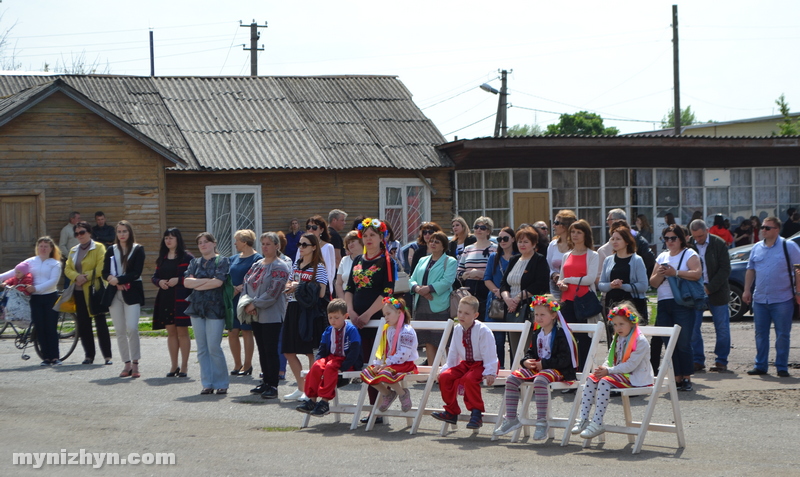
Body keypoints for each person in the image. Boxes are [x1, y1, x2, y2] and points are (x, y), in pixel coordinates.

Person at [493, 295, 578, 440]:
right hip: (540, 368)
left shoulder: (561, 333)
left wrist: (544, 364)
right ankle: (511, 418)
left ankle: (541, 422)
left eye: (542, 314)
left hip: (558, 370)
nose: (538, 318)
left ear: (553, 315)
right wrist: (525, 361)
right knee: (512, 378)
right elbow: (531, 352)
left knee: (540, 380)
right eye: (536, 314)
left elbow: (565, 359)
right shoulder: (538, 332)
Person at [572, 302, 654, 439]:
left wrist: (608, 371)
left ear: (632, 323)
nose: (617, 328)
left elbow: (630, 366)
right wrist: (604, 368)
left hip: (636, 377)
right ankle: (583, 419)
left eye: (621, 324)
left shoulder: (640, 341)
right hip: (619, 374)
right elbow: (610, 358)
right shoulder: (619, 338)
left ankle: (597, 422)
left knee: (604, 381)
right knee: (592, 379)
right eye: (615, 325)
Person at [345, 217, 396, 423]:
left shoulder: (386, 261)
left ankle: (378, 408)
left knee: (376, 364)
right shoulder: (357, 260)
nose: (368, 239)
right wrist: (350, 310)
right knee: (364, 363)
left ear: (381, 237)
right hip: (357, 319)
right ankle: (375, 406)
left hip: (376, 319)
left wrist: (368, 314)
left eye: (372, 235)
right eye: (364, 236)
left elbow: (387, 292)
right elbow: (349, 287)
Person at [743, 217, 800, 378]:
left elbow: (799, 270)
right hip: (760, 299)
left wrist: (798, 292)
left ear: (777, 229)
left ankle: (781, 366)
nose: (763, 230)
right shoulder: (757, 248)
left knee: (782, 334)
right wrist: (746, 290)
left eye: (767, 228)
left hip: (783, 298)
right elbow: (750, 269)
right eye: (762, 227)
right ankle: (760, 365)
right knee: (760, 334)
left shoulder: (788, 246)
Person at [649, 224, 702, 391]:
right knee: (668, 342)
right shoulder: (662, 256)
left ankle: (686, 377)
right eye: (666, 238)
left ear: (681, 239)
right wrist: (661, 273)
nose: (670, 241)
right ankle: (676, 377)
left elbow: (697, 273)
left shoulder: (689, 254)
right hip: (664, 302)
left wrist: (676, 273)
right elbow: (653, 283)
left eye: (673, 238)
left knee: (683, 342)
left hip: (683, 303)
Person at [432, 295, 498, 429]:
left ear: (476, 315)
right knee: (445, 377)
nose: (462, 315)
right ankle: (451, 411)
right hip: (466, 363)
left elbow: (489, 354)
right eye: (459, 312)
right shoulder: (457, 329)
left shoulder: (483, 331)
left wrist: (490, 371)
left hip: (482, 363)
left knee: (469, 379)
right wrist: (447, 368)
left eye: (467, 313)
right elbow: (454, 352)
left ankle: (476, 413)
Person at [243, 232, 291, 399]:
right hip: (255, 313)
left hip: (271, 314)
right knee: (262, 349)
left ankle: (273, 385)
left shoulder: (280, 266)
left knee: (271, 350)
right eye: (263, 243)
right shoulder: (257, 264)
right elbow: (246, 282)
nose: (264, 247)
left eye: (268, 244)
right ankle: (265, 381)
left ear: (277, 246)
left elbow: (274, 292)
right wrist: (247, 304)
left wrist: (254, 304)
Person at [0, 237, 62, 365]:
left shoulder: (55, 263)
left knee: (50, 327)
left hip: (50, 297)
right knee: (40, 327)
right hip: (35, 299)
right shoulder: (31, 261)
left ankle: (55, 357)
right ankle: (46, 358)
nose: (43, 248)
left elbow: (53, 282)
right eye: (41, 246)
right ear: (37, 248)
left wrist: (36, 288)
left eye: (46, 246)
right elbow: (13, 272)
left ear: (51, 249)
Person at [296, 298, 363, 416]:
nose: (333, 321)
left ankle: (325, 402)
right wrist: (319, 361)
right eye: (330, 317)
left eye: (336, 318)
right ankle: (311, 399)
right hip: (331, 357)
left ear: (345, 316)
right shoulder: (328, 331)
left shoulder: (352, 330)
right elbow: (322, 350)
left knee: (331, 367)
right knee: (316, 365)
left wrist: (344, 367)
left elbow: (354, 351)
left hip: (346, 361)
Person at [283, 233, 329, 401]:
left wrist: (300, 286)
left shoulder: (319, 267)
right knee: (288, 350)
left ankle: (311, 390)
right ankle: (301, 386)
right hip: (293, 308)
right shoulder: (297, 264)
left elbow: (322, 292)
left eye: (305, 245)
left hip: (309, 312)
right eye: (300, 245)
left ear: (314, 247)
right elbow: (290, 282)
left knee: (311, 352)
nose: (301, 248)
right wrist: (290, 286)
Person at [184, 232, 230, 395]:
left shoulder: (222, 260)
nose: (203, 245)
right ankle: (207, 383)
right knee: (202, 348)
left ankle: (222, 382)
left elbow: (218, 282)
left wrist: (197, 284)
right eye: (200, 243)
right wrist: (205, 282)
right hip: (196, 307)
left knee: (213, 346)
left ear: (213, 243)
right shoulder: (194, 262)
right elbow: (187, 282)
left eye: (206, 242)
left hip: (215, 308)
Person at [360, 297, 418, 414]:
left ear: (399, 312)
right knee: (367, 373)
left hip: (404, 364)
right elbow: (385, 351)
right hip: (391, 363)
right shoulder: (389, 330)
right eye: (384, 315)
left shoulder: (406, 330)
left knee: (385, 372)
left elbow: (403, 354)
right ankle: (388, 394)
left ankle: (402, 394)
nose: (385, 317)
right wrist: (379, 363)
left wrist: (386, 364)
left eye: (388, 314)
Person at [65, 220, 112, 365]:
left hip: (94, 291)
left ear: (89, 233)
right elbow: (68, 269)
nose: (80, 235)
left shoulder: (99, 248)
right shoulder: (73, 250)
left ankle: (107, 356)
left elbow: (102, 268)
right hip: (79, 291)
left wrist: (85, 276)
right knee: (84, 325)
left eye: (82, 232)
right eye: (77, 233)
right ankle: (89, 356)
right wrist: (76, 277)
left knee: (100, 324)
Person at [499, 227, 550, 360]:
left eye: (526, 242)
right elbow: (504, 283)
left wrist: (517, 298)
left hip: (529, 308)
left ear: (534, 244)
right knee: (514, 347)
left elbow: (540, 284)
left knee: (528, 346)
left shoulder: (539, 260)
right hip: (510, 308)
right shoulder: (514, 259)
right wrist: (508, 299)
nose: (522, 244)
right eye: (520, 241)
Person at [688, 219, 732, 373]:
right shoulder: (689, 245)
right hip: (696, 292)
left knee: (722, 327)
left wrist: (710, 287)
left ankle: (721, 361)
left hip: (717, 292)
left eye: (700, 236)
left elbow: (725, 269)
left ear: (707, 230)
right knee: (693, 327)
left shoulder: (718, 243)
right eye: (695, 237)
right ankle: (697, 360)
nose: (698, 240)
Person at [103, 220, 145, 378]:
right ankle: (126, 363)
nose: (122, 234)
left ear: (130, 232)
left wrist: (119, 281)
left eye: (124, 231)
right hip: (114, 294)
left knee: (132, 328)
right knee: (120, 330)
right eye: (119, 232)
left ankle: (135, 363)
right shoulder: (111, 250)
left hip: (131, 292)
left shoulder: (138, 249)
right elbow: (104, 271)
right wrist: (111, 279)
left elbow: (136, 272)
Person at [557, 219, 600, 366]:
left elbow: (590, 279)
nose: (575, 235)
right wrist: (561, 283)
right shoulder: (566, 255)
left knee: (584, 339)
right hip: (566, 301)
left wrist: (568, 279)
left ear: (585, 235)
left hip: (584, 302)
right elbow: (561, 278)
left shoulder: (592, 255)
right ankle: (569, 374)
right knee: (568, 339)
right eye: (573, 232)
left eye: (579, 232)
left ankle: (584, 373)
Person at [151, 228, 194, 377]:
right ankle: (173, 365)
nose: (168, 240)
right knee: (171, 332)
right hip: (165, 298)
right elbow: (154, 276)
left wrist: (179, 280)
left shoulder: (187, 257)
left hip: (181, 299)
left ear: (178, 239)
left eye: (171, 238)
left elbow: (193, 277)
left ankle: (184, 366)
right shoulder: (162, 257)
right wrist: (159, 281)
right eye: (166, 238)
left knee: (182, 332)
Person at [409, 231, 457, 363]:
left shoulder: (450, 261)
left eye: (437, 242)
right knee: (427, 340)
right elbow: (411, 279)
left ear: (443, 246)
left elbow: (447, 281)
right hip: (421, 303)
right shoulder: (422, 260)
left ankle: (448, 370)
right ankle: (431, 371)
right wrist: (418, 288)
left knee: (444, 339)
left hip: (439, 304)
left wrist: (429, 288)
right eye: (431, 241)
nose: (433, 244)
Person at [598, 223, 649, 341]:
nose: (614, 242)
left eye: (618, 239)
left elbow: (643, 285)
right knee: (614, 339)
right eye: (612, 239)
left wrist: (624, 286)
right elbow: (601, 285)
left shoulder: (637, 260)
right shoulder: (608, 260)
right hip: (612, 304)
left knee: (632, 339)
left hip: (632, 304)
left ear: (627, 241)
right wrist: (611, 285)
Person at [227, 229, 262, 376]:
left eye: (237, 240)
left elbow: (258, 278)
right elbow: (227, 276)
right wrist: (232, 289)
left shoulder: (257, 258)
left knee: (246, 331)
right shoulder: (233, 258)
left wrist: (243, 288)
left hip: (247, 300)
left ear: (245, 242)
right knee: (232, 331)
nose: (235, 243)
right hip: (233, 299)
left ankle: (247, 366)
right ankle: (237, 364)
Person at [483, 226, 519, 368]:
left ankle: (515, 370)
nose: (502, 241)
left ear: (513, 239)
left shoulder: (518, 257)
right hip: (496, 301)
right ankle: (498, 369)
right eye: (499, 239)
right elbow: (487, 278)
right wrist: (497, 291)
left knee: (513, 338)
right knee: (496, 338)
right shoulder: (494, 257)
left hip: (514, 300)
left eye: (505, 238)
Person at [457, 216, 497, 320]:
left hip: (486, 288)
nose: (479, 230)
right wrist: (464, 275)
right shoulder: (468, 248)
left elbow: (497, 272)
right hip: (469, 288)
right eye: (476, 227)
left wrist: (480, 274)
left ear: (488, 232)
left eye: (483, 228)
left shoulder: (495, 248)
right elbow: (459, 271)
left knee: (485, 319)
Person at [300, 215, 336, 296]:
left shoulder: (328, 247)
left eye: (314, 227)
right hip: (302, 286)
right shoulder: (302, 245)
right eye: (308, 227)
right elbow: (297, 264)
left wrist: (329, 289)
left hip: (321, 287)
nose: (310, 230)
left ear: (322, 229)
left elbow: (330, 270)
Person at [546, 209, 577, 300]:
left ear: (565, 226)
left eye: (556, 223)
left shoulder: (576, 245)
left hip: (572, 287)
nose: (553, 226)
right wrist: (554, 275)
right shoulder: (553, 245)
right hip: (555, 288)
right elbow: (549, 266)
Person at [334, 231, 362, 299]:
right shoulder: (344, 260)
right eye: (348, 243)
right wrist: (344, 301)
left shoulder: (369, 259)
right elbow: (338, 284)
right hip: (345, 297)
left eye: (353, 241)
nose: (350, 244)